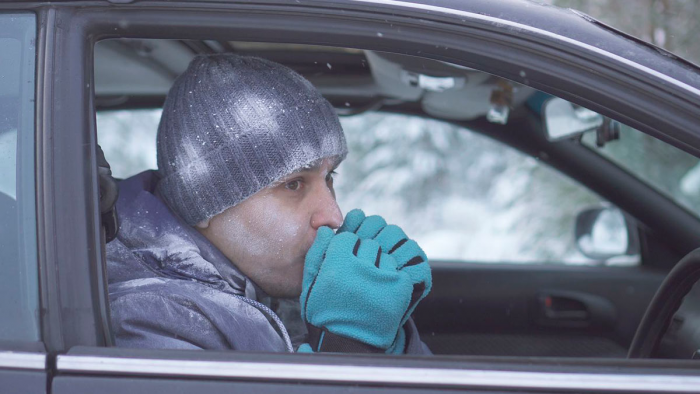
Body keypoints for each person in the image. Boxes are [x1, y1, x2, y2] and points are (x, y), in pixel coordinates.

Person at [107, 54, 432, 354]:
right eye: (293, 184)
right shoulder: (152, 321)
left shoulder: (269, 284)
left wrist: (389, 339)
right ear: (204, 203)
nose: (333, 215)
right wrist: (347, 348)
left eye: (329, 176)